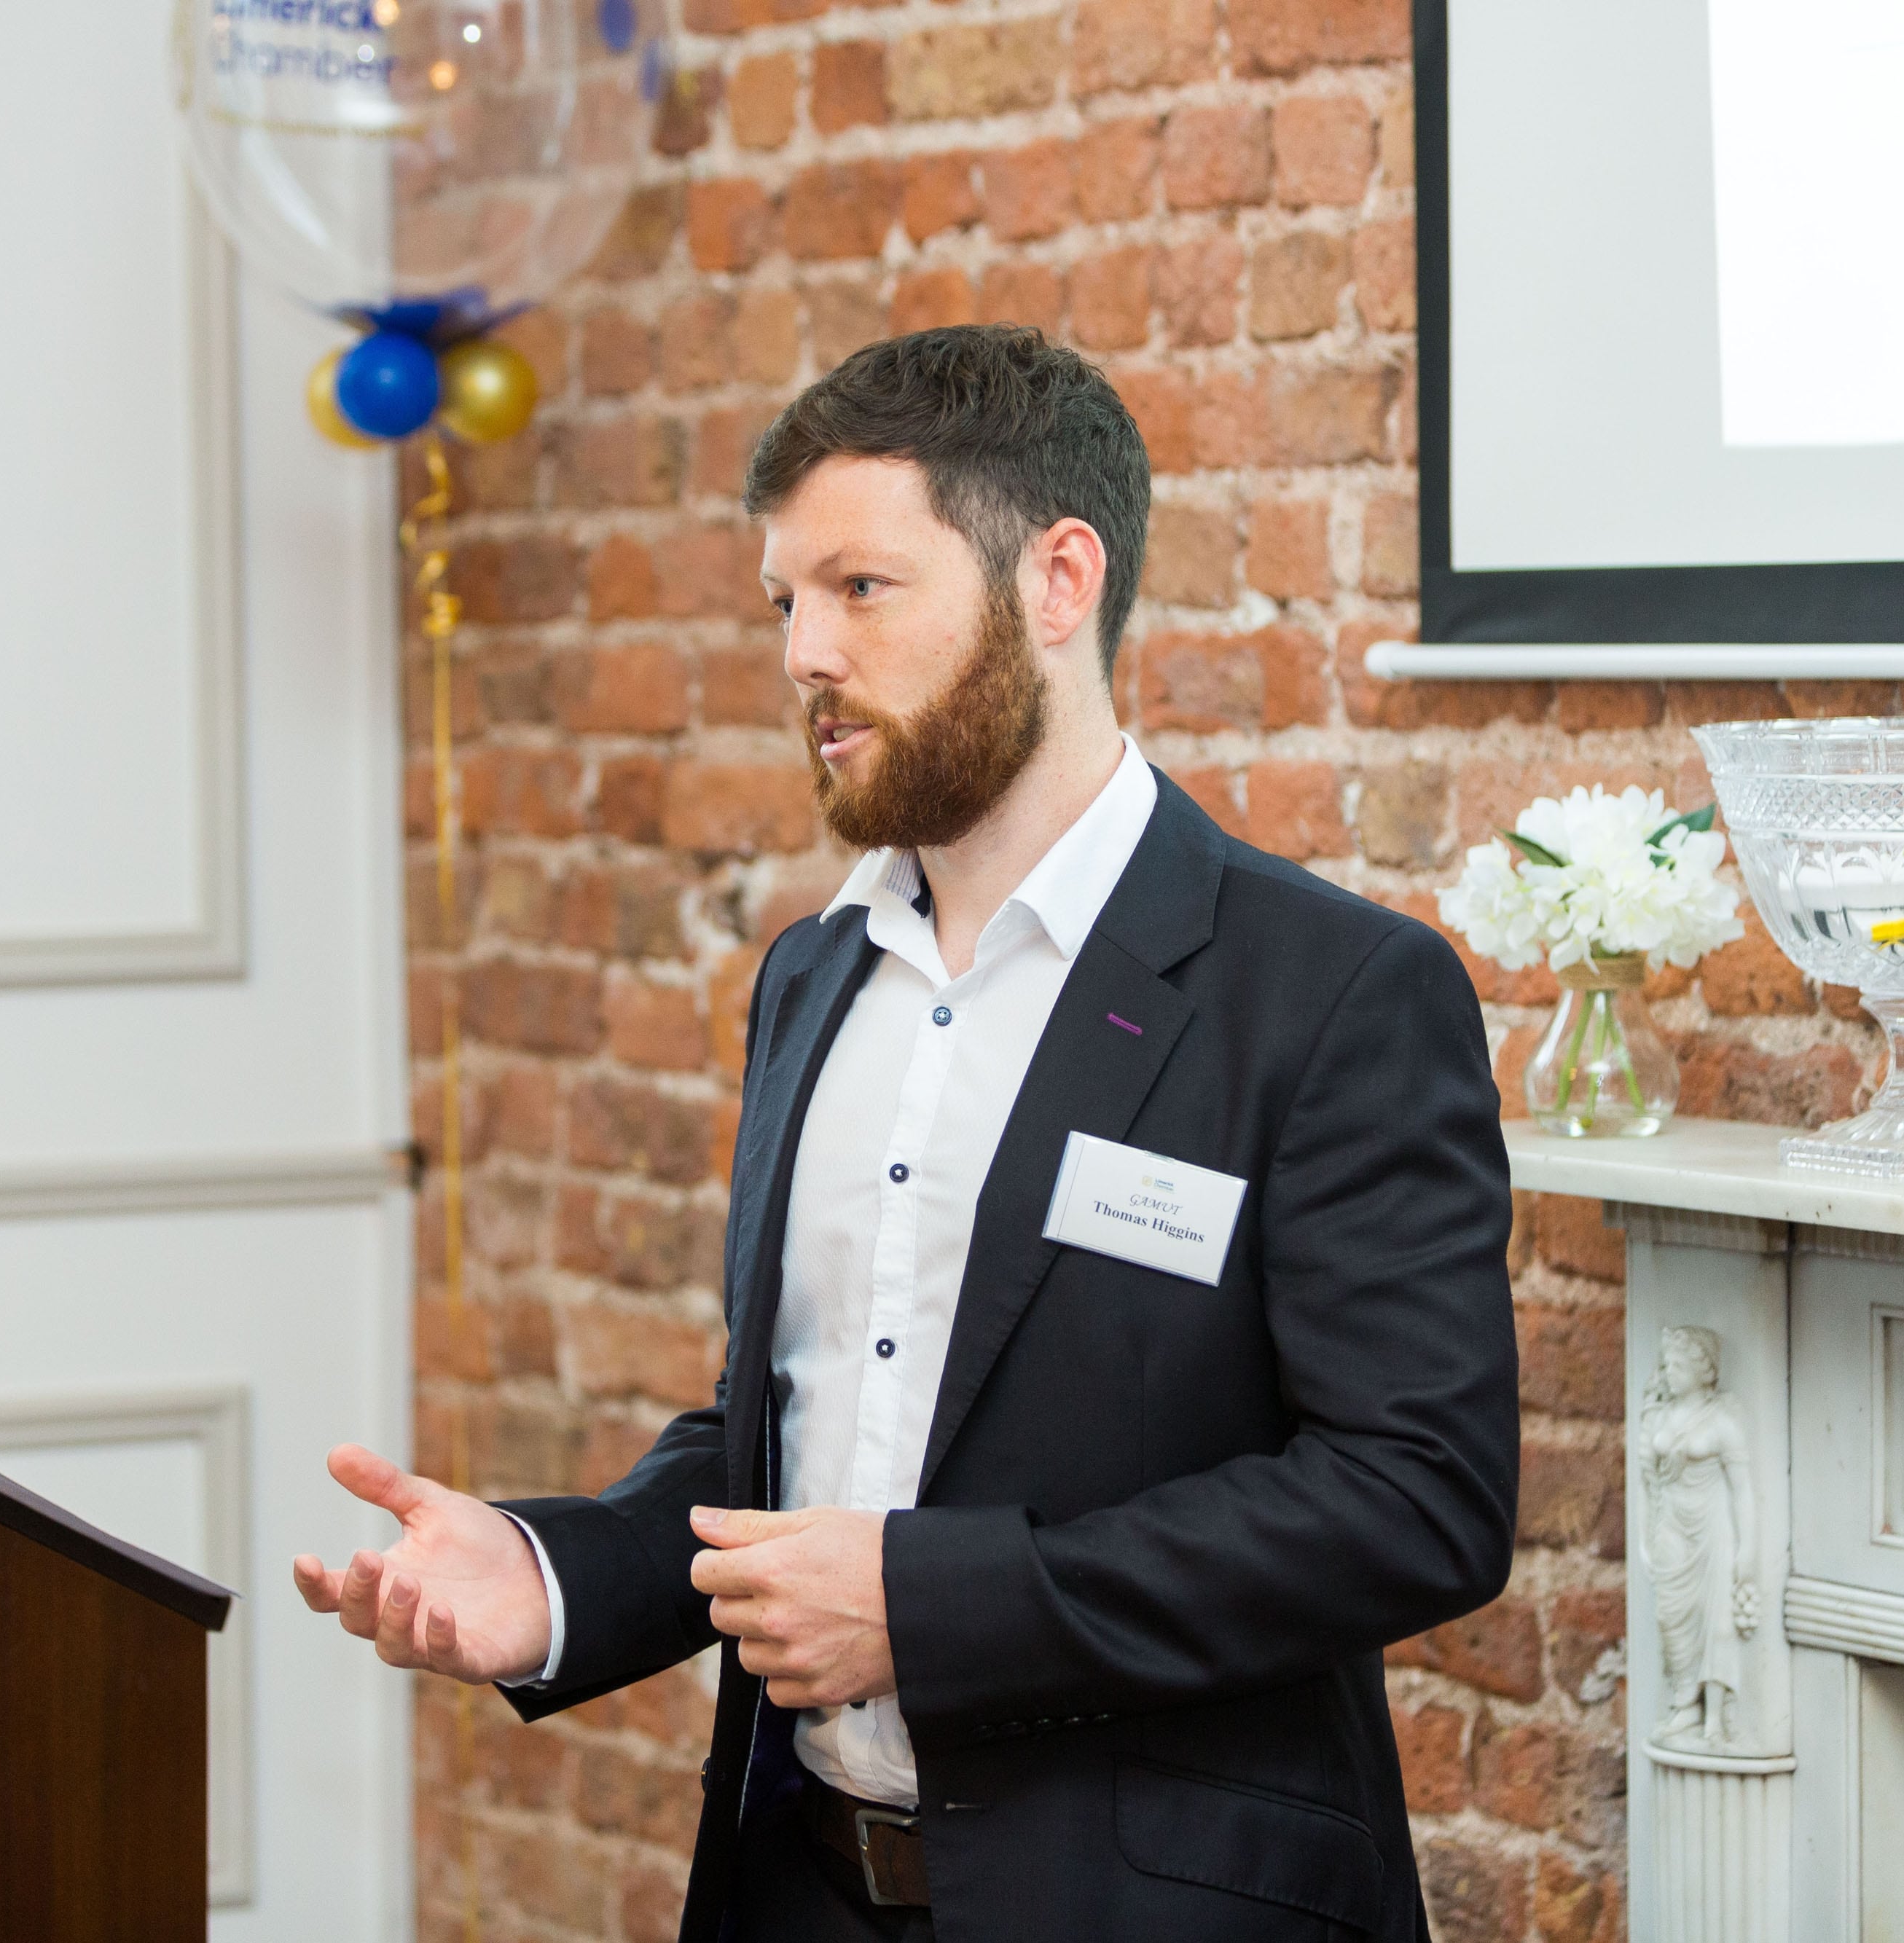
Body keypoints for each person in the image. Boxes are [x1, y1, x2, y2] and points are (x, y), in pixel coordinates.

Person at [295, 324, 1519, 1943]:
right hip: (798, 1895)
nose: (804, 651)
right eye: (783, 603)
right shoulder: (811, 977)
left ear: (1056, 581)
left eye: (859, 590)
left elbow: (1414, 1495)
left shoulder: (1332, 990)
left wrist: (925, 1606)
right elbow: (793, 1437)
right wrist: (558, 1576)